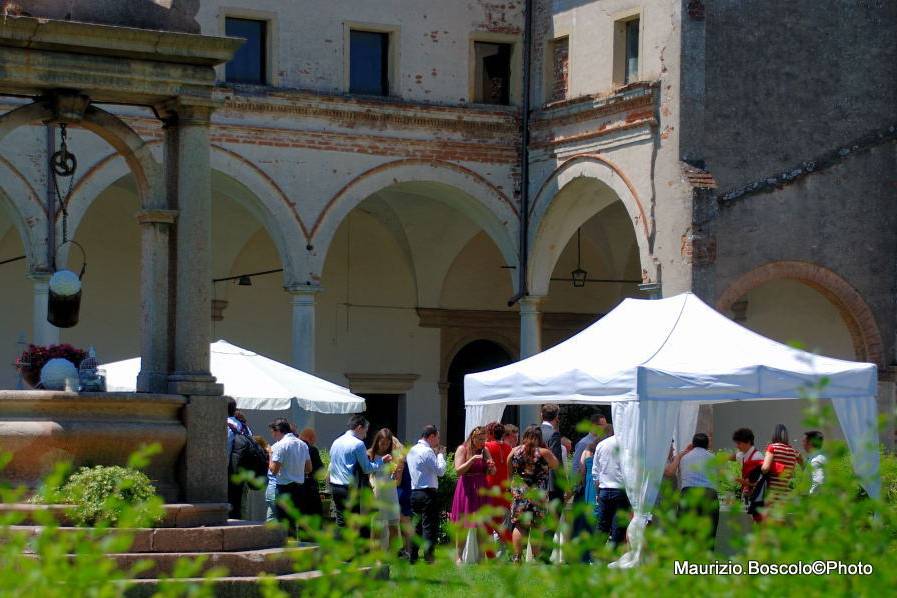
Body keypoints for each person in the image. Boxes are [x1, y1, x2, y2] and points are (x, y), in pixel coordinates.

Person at [328, 415, 391, 528]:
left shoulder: (336, 441)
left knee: (340, 520)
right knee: (353, 522)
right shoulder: (358, 444)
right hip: (349, 488)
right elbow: (367, 468)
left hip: (335, 486)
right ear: (359, 428)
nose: (365, 435)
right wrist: (382, 461)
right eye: (365, 431)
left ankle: (338, 545)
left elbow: (331, 465)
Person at [508, 425, 559, 562]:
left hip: (520, 492)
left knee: (519, 525)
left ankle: (517, 557)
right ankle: (536, 557)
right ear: (539, 438)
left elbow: (509, 470)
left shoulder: (514, 451)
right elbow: (555, 465)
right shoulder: (543, 453)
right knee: (536, 526)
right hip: (538, 493)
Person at [666, 433, 719, 551]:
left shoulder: (684, 457)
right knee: (708, 532)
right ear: (707, 445)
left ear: (693, 444)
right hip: (709, 494)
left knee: (686, 532)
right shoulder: (713, 458)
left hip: (688, 493)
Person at [450, 426, 495, 563]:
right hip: (467, 487)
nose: (483, 442)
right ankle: (458, 556)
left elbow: (492, 472)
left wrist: (491, 466)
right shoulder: (462, 449)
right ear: (473, 438)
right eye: (480, 439)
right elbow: (458, 471)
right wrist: (472, 460)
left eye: (484, 439)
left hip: (481, 487)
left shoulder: (485, 450)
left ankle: (481, 557)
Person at [406, 424, 446, 564]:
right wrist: (440, 454)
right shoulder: (428, 451)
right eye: (437, 437)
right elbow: (440, 471)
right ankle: (429, 557)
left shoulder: (412, 450)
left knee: (416, 526)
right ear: (431, 436)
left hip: (415, 491)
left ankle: (413, 556)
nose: (438, 440)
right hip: (428, 492)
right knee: (429, 526)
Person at [268, 418, 312, 534]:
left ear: (278, 431)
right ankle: (293, 549)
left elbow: (273, 470)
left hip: (284, 488)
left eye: (273, 432)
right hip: (299, 488)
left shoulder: (280, 445)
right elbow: (309, 469)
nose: (273, 436)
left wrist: (270, 454)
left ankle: (284, 549)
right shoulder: (302, 444)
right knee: (294, 522)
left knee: (282, 523)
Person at [591, 425, 630, 549]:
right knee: (618, 527)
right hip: (620, 491)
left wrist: (598, 492)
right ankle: (612, 557)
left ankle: (596, 557)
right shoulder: (627, 446)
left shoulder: (602, 444)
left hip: (604, 489)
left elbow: (595, 473)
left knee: (602, 526)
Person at [760, 424, 804, 519]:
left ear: (774, 434)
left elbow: (765, 468)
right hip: (785, 494)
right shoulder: (793, 451)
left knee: (767, 525)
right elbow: (795, 470)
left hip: (771, 494)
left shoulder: (772, 448)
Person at [368, 428, 401, 550]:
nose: (384, 446)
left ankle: (392, 554)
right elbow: (368, 474)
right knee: (376, 525)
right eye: (382, 443)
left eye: (387, 444)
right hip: (377, 492)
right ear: (377, 442)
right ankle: (375, 555)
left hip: (391, 492)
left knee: (393, 525)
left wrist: (397, 472)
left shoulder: (394, 455)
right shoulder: (370, 454)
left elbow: (397, 480)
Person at [484, 421, 513, 551]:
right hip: (504, 486)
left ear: (490, 433)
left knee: (490, 522)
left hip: (490, 486)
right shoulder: (509, 448)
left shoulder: (486, 446)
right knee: (503, 522)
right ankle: (506, 548)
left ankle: (493, 551)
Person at [225, 396, 252, 519]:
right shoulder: (245, 427)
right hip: (243, 471)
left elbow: (224, 450)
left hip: (228, 471)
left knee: (227, 506)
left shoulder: (225, 425)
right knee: (239, 507)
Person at [730, 427, 764, 511]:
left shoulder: (757, 457)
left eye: (739, 443)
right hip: (746, 495)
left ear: (748, 442)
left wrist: (744, 482)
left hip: (756, 498)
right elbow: (733, 457)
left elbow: (760, 483)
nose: (737, 446)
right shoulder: (742, 454)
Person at [539, 404, 564, 504]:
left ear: (541, 415)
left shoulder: (533, 431)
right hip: (550, 485)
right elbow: (555, 460)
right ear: (557, 417)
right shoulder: (554, 434)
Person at [297, 428, 325, 519]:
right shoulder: (312, 450)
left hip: (296, 486)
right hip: (310, 486)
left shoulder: (295, 448)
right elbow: (319, 470)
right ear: (311, 438)